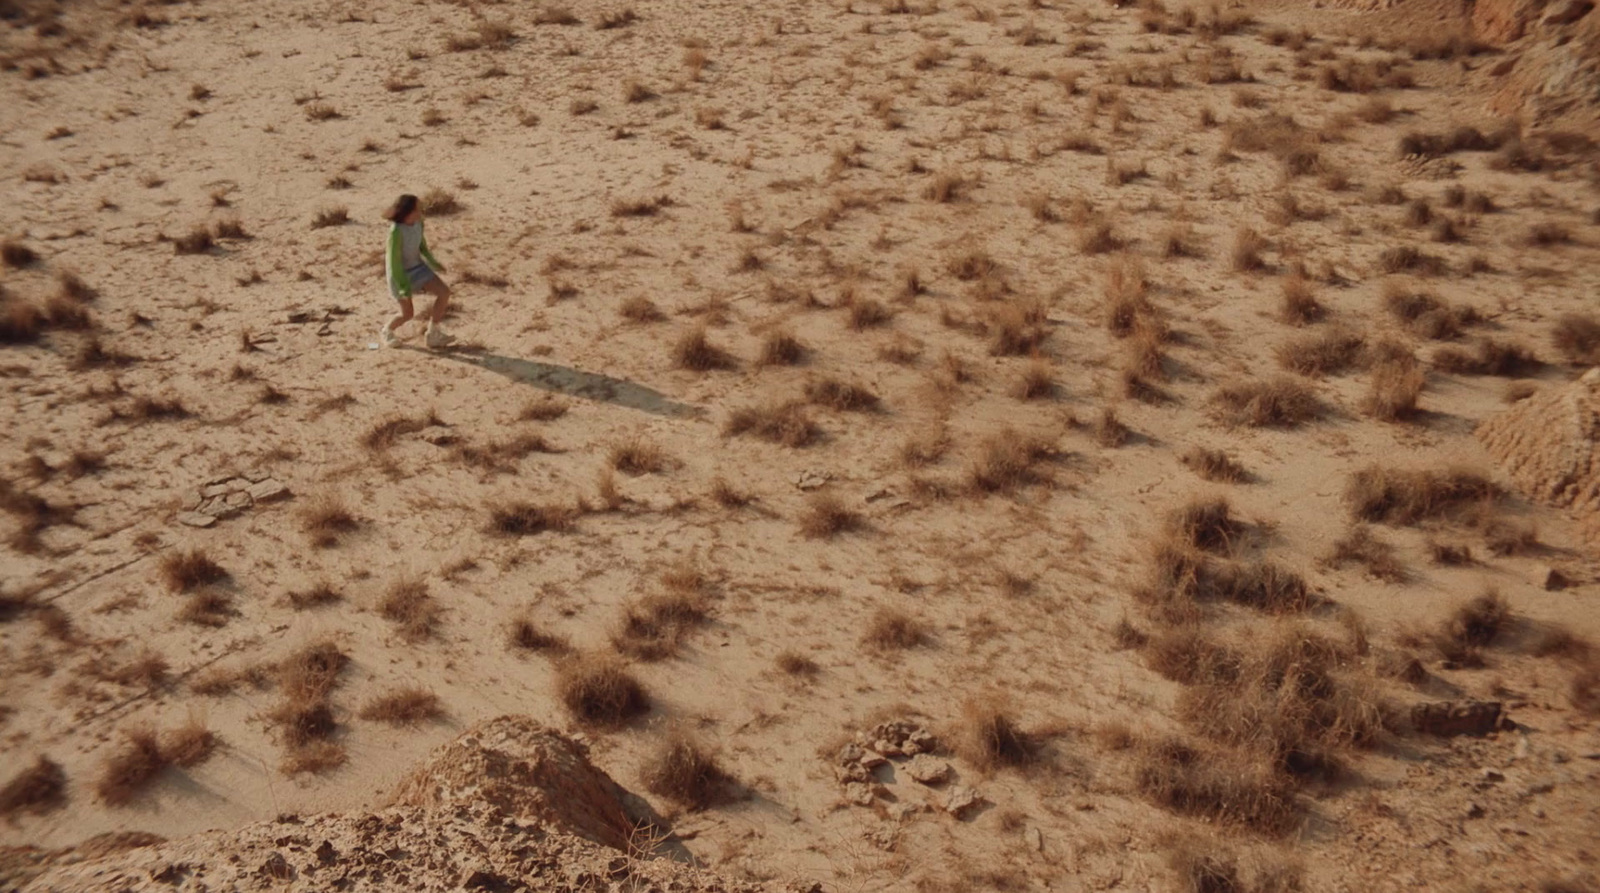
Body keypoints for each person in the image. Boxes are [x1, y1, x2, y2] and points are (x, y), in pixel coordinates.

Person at [381, 194, 454, 348]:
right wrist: (402, 287)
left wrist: (433, 262)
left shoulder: (419, 223)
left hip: (418, 268)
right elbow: (394, 262)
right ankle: (387, 331)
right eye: (417, 209)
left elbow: (422, 246)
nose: (421, 211)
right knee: (407, 314)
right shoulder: (396, 232)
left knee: (444, 293)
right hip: (399, 274)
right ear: (407, 212)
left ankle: (433, 334)